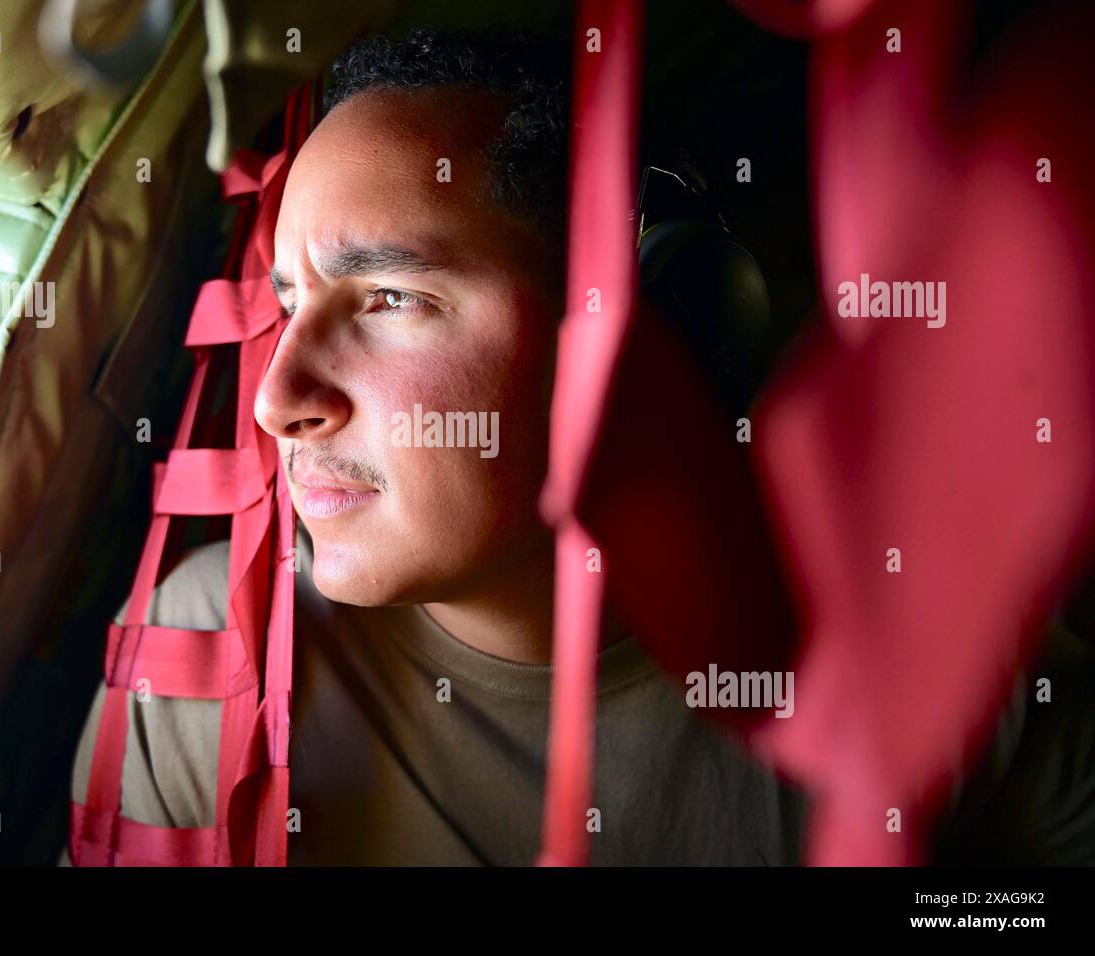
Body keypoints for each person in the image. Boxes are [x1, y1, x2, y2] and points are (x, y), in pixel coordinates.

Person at [62, 24, 1093, 866]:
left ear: (644, 329)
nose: (279, 399)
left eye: (387, 297)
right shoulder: (203, 653)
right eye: (287, 305)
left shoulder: (941, 662)